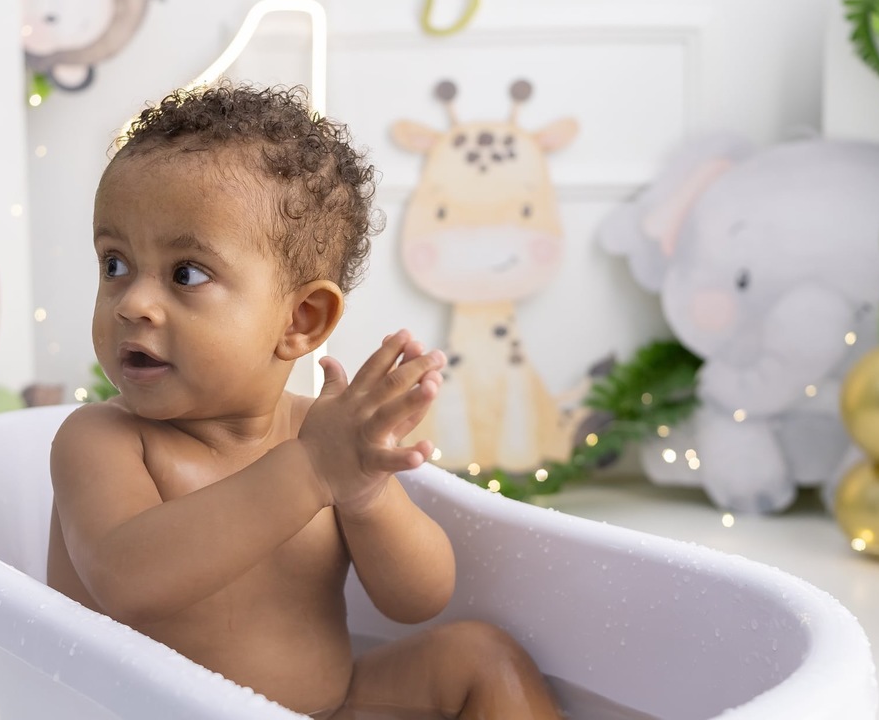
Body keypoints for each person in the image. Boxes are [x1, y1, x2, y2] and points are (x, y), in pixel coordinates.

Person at [46, 82, 564, 719]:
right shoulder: (102, 441)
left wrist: (365, 493)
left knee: (482, 659)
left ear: (302, 320)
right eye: (115, 264)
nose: (132, 303)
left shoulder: (319, 437)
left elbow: (419, 599)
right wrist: (313, 471)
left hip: (332, 706)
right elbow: (128, 580)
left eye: (186, 273)